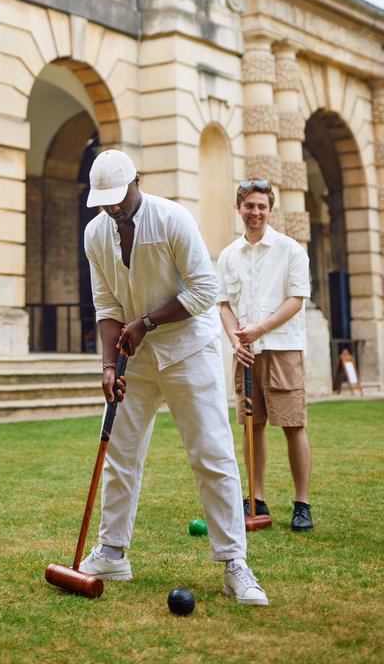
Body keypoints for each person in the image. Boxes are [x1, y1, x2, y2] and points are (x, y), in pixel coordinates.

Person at [79, 149, 268, 606]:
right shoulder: (95, 234)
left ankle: (234, 563)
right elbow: (106, 305)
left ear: (137, 181)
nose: (112, 207)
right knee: (122, 454)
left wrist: (145, 322)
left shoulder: (172, 219)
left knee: (212, 453)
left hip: (189, 349)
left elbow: (205, 289)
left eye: (118, 197)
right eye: (103, 200)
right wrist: (108, 366)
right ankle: (112, 552)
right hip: (133, 356)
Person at [217, 178, 313, 532]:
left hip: (283, 349)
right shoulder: (229, 255)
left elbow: (296, 300)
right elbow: (224, 305)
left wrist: (259, 329)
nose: (255, 212)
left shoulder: (290, 250)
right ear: (239, 208)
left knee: (293, 425)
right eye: (249, 205)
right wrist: (235, 337)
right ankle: (255, 499)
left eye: (261, 206)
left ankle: (301, 504)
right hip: (246, 353)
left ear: (270, 210)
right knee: (251, 426)